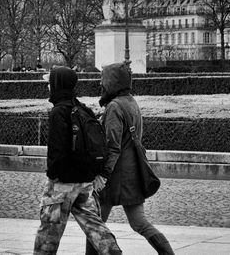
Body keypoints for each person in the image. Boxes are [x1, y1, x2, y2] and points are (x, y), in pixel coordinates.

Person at [85, 63, 174, 255]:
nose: (101, 84)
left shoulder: (114, 107)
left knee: (96, 225)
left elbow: (113, 147)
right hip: (133, 173)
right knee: (139, 222)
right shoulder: (131, 101)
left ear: (111, 82)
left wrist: (103, 174)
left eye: (103, 80)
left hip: (116, 176)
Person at [34, 66, 122, 254]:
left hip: (62, 184)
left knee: (48, 234)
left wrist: (53, 175)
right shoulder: (83, 110)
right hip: (84, 182)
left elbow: (57, 151)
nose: (49, 87)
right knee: (96, 227)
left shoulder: (59, 111)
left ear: (57, 85)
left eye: (50, 83)